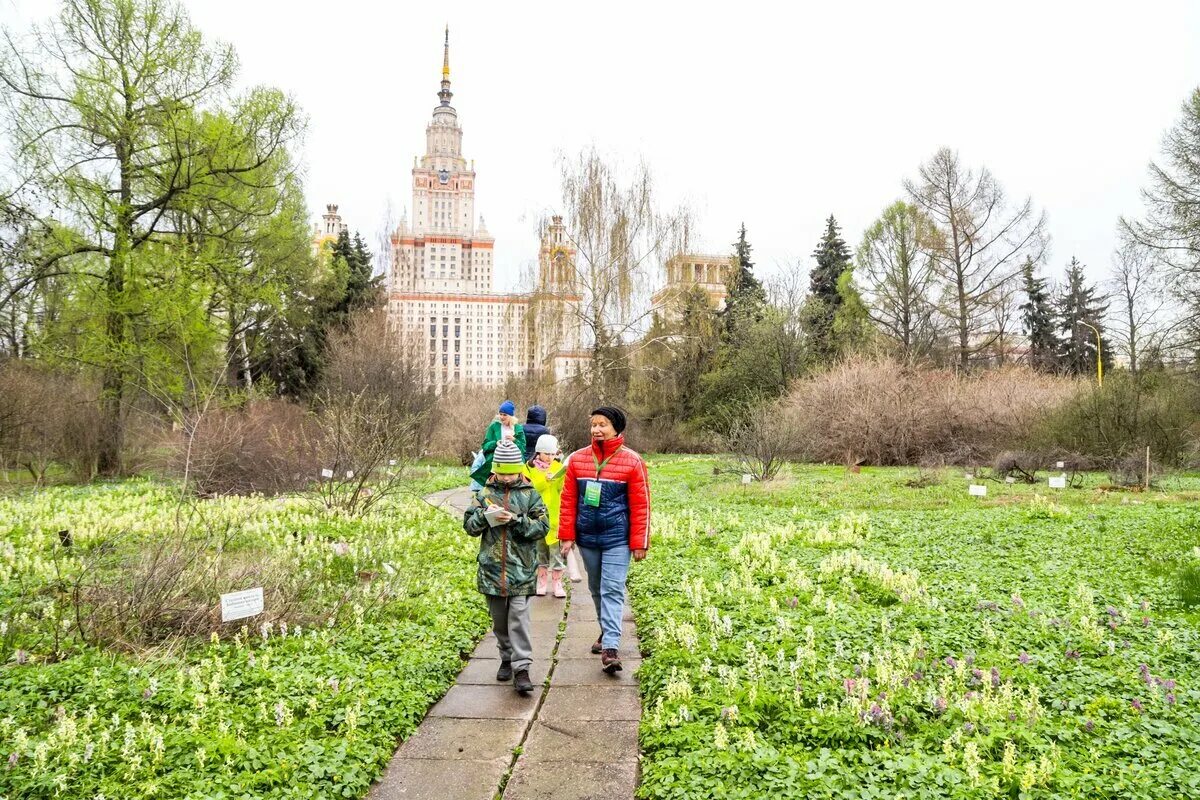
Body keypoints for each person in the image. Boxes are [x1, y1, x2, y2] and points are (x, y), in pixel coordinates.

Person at [558, 406, 650, 674]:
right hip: (588, 538)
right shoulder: (577, 460)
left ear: (616, 428)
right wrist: (566, 536)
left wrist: (639, 542)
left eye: (603, 425)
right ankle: (606, 629)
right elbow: (567, 501)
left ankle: (610, 647)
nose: (596, 429)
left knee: (612, 589)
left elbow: (641, 505)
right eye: (594, 424)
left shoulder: (632, 462)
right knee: (597, 589)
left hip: (617, 539)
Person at [462, 439, 549, 695]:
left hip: (521, 570)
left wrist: (515, 520)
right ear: (495, 470)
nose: (508, 477)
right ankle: (506, 657)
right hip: (492, 571)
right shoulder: (485, 494)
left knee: (519, 619)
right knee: (500, 621)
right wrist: (485, 518)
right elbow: (469, 527)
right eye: (503, 472)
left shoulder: (530, 494)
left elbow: (542, 527)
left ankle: (522, 668)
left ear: (520, 469)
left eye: (513, 472)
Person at [524, 435, 567, 598]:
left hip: (554, 516)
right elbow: (529, 490)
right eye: (547, 454)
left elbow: (562, 490)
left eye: (553, 454)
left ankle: (557, 583)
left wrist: (558, 479)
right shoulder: (529, 469)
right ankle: (541, 581)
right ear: (538, 453)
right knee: (540, 551)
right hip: (537, 517)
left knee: (556, 552)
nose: (550, 457)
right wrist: (545, 480)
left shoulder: (558, 466)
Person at [470, 400, 526, 489]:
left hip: (513, 461)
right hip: (495, 459)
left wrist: (514, 440)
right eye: (500, 414)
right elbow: (485, 445)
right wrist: (496, 443)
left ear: (510, 416)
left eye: (505, 415)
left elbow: (523, 448)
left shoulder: (518, 428)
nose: (502, 417)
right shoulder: (494, 426)